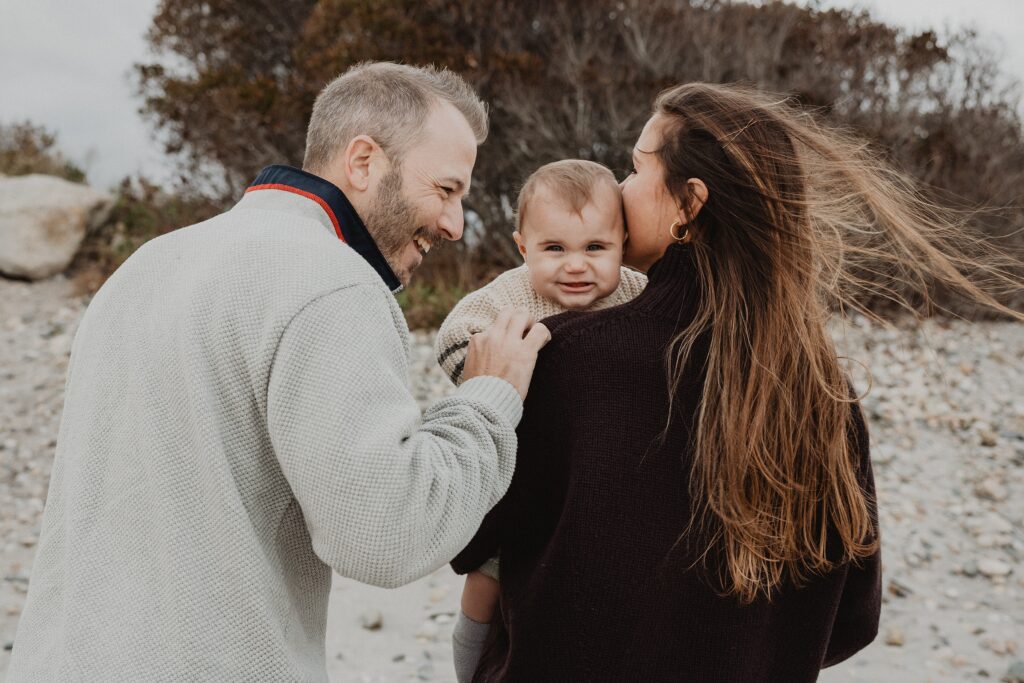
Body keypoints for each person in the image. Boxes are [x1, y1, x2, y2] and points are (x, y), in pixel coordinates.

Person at [450, 82, 1023, 682]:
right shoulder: (824, 395)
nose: (617, 189)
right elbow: (853, 620)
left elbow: (472, 548)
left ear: (688, 204)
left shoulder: (563, 363)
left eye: (635, 167)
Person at [7, 62, 549, 681]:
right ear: (364, 161)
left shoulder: (145, 264)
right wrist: (488, 398)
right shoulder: (331, 280)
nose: (454, 223)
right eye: (447, 190)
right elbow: (386, 534)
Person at [434, 159, 647, 680]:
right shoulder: (509, 296)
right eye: (555, 249)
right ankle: (470, 664)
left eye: (595, 248)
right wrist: (495, 371)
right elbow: (455, 336)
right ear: (523, 246)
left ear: (623, 242)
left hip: (599, 463)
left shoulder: (636, 293)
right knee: (489, 572)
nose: (576, 266)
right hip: (522, 465)